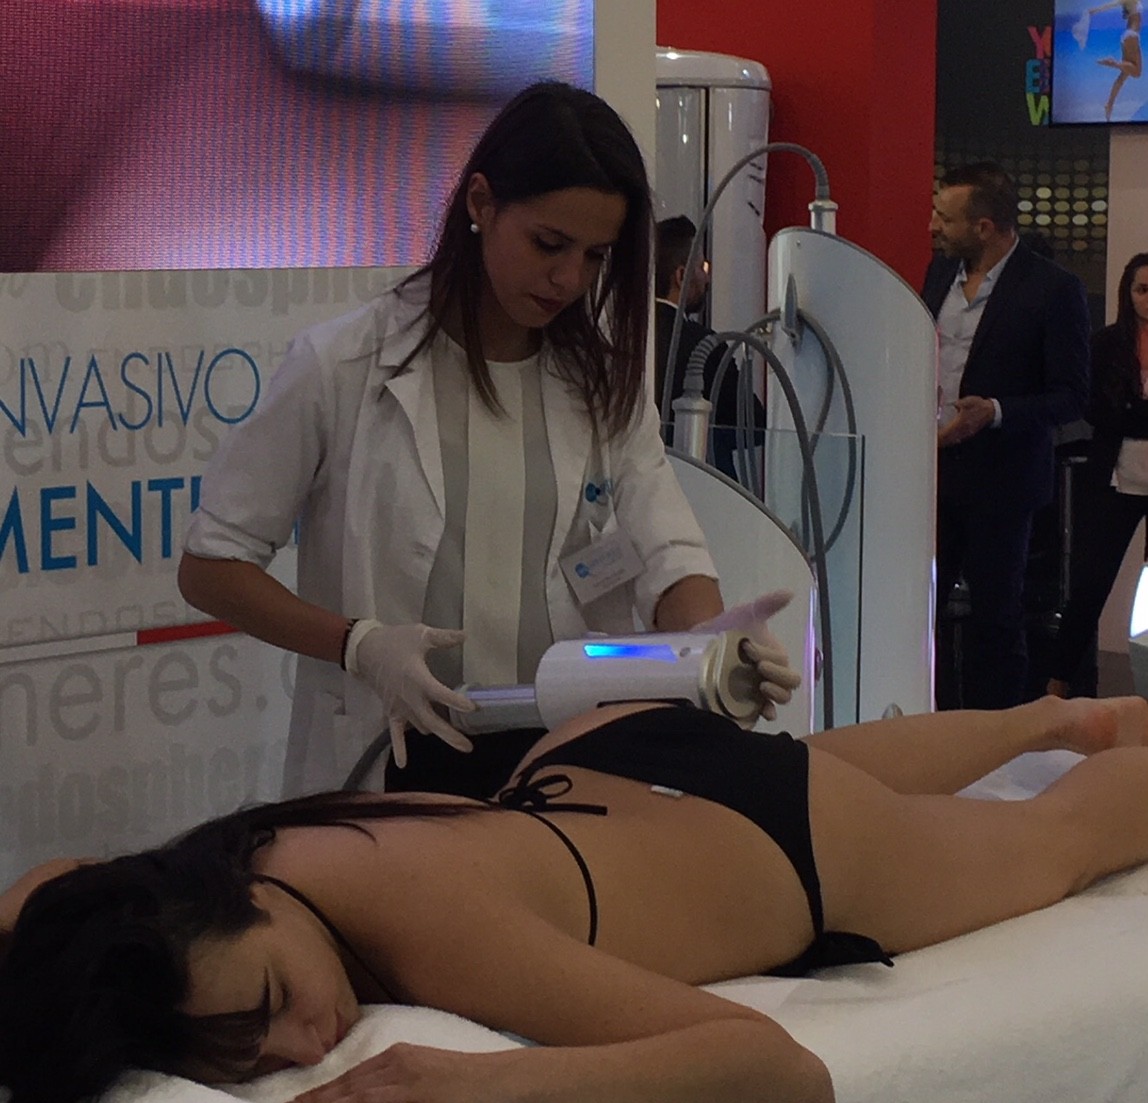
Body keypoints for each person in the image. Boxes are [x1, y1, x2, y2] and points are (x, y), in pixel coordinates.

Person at [4, 690, 1148, 1103]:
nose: (306, 1040)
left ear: (243, 906)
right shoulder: (205, 869)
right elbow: (43, 900)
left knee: (1052, 841)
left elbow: (783, 1076)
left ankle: (1090, 749)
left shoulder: (424, 915)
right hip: (602, 754)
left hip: (782, 846)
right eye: (253, 1055)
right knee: (818, 762)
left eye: (276, 998)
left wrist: (493, 1082)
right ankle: (1047, 719)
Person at [177, 82, 797, 802]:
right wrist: (359, 644)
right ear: (481, 203)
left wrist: (712, 645)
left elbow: (668, 555)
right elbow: (211, 567)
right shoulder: (340, 366)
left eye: (596, 257)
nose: (569, 278)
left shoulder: (603, 387)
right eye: (549, 244)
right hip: (392, 760)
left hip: (562, 758)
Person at [923, 162, 1091, 710]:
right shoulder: (938, 274)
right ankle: (926, 721)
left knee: (996, 618)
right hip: (933, 473)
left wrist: (993, 412)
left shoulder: (1053, 289)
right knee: (920, 610)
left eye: (945, 218)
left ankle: (998, 732)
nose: (933, 226)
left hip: (1003, 482)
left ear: (985, 227)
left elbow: (1071, 396)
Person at [1047, 253, 1148, 696]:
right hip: (1115, 476)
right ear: (1128, 293)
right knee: (1091, 584)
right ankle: (1058, 683)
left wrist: (1133, 413)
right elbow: (1091, 406)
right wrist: (1132, 415)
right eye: (1142, 290)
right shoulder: (1106, 343)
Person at [653, 214, 763, 483]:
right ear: (681, 276)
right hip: (700, 486)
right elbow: (753, 425)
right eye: (703, 266)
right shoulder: (704, 347)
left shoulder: (618, 338)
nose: (707, 278)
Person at [1077, 1, 1143, 121]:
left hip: (1129, 36)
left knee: (1123, 76)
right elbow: (1111, 5)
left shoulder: (1129, 3)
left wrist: (1094, 11)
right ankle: (1112, 62)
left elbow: (1114, 6)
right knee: (1137, 72)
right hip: (1132, 36)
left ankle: (1109, 104)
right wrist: (1094, 11)